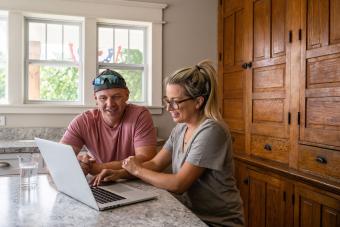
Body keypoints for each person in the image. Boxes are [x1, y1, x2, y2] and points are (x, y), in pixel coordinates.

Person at [93, 60, 244, 226]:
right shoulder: (180, 128)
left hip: (216, 222)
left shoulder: (212, 131)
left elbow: (179, 184)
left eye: (175, 101)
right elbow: (156, 164)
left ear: (198, 102)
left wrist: (136, 169)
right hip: (188, 215)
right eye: (167, 100)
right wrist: (119, 174)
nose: (169, 108)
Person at [60, 69, 157, 179]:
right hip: (99, 182)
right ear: (95, 99)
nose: (110, 104)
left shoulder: (140, 115)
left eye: (116, 97)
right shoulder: (83, 121)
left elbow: (147, 158)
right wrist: (79, 165)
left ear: (127, 95)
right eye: (103, 98)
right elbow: (57, 162)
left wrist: (99, 168)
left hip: (132, 180)